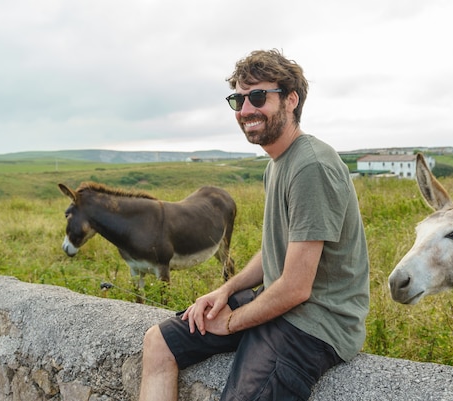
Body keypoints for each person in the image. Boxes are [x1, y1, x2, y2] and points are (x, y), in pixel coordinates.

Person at [138, 49, 370, 401]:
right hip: (278, 303)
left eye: (258, 97)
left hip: (317, 324)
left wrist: (231, 322)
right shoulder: (276, 163)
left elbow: (295, 288)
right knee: (159, 343)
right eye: (238, 99)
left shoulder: (311, 166)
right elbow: (276, 250)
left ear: (291, 100)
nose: (246, 110)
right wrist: (226, 292)